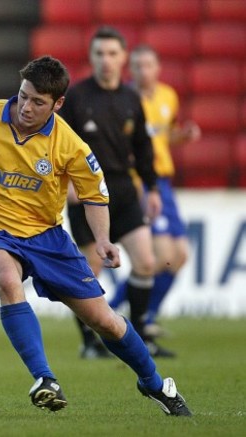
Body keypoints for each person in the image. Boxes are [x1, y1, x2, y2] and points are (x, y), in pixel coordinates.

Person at [0, 56, 191, 416]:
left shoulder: (70, 145)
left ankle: (154, 384)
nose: (26, 107)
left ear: (57, 104)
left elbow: (94, 195)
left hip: (47, 238)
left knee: (103, 320)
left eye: (38, 102)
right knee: (8, 279)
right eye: (23, 96)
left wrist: (102, 239)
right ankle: (45, 379)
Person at [58, 26, 174, 359]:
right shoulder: (77, 98)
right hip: (87, 193)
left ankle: (140, 335)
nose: (106, 61)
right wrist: (65, 183)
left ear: (123, 58)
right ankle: (90, 344)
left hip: (123, 191)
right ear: (91, 57)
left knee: (147, 262)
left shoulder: (131, 98)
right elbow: (55, 144)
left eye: (112, 54)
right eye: (99, 54)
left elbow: (143, 146)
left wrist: (151, 187)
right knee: (89, 272)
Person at [108, 45, 201, 337]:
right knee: (159, 256)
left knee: (180, 255)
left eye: (148, 65)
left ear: (158, 68)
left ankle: (147, 315)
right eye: (136, 65)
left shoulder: (167, 96)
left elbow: (164, 135)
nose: (142, 70)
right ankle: (110, 312)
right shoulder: (125, 101)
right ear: (129, 69)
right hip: (140, 181)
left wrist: (182, 136)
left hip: (163, 182)